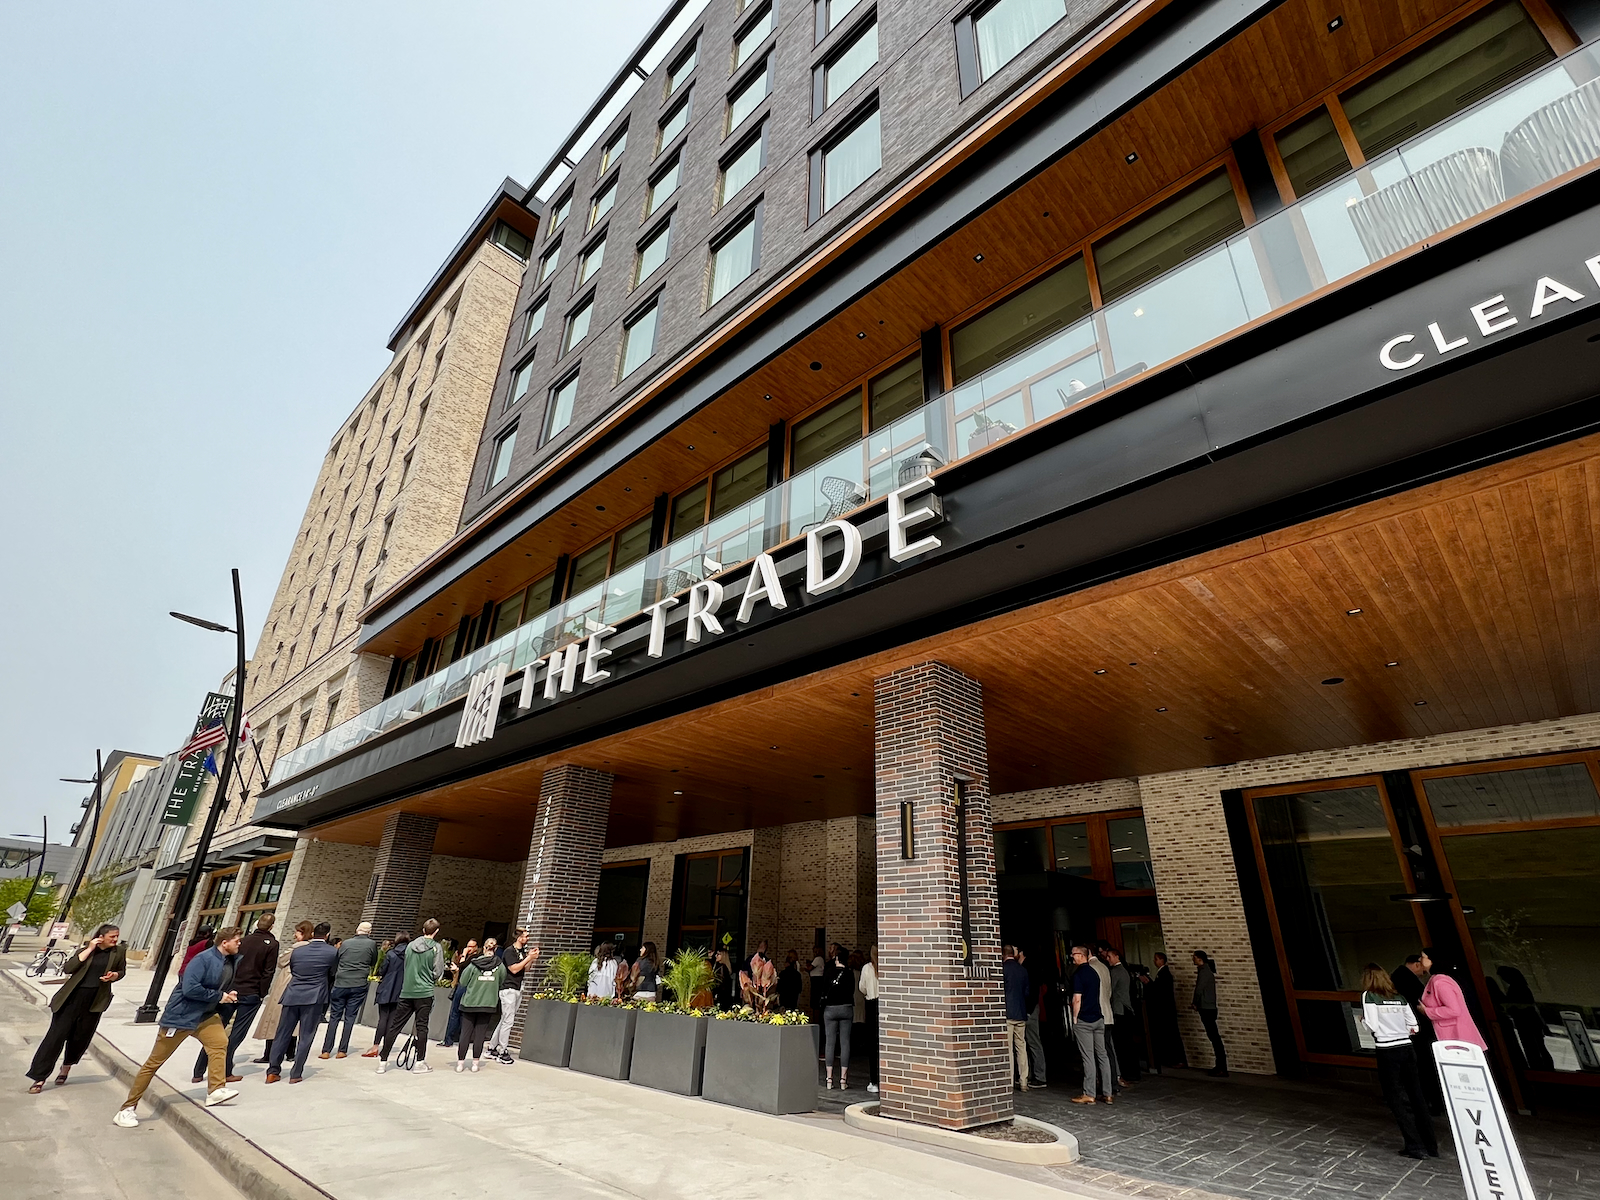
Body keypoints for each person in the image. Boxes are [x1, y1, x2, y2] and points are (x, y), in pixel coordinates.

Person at [113, 927, 243, 1127]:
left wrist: (227, 994)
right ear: (225, 942)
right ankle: (127, 1108)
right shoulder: (203, 959)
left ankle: (216, 1090)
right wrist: (219, 996)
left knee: (219, 1043)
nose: (239, 944)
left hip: (205, 1015)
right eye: (237, 940)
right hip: (181, 1016)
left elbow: (217, 985)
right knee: (154, 1063)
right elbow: (190, 988)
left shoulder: (229, 961)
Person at [27, 924, 126, 1093]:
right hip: (71, 1000)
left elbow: (121, 970)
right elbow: (69, 968)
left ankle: (65, 1069)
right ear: (101, 937)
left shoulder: (119, 952)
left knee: (80, 1038)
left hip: (94, 1002)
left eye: (117, 936)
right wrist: (90, 948)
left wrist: (114, 976)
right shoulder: (86, 950)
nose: (116, 940)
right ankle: (39, 1077)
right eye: (112, 937)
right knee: (55, 1038)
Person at [1359, 964, 1439, 1159]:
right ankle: (1431, 1145)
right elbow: (1414, 1027)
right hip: (1407, 1048)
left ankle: (1414, 1144)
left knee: (1394, 1097)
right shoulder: (1399, 998)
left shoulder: (1369, 996)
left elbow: (1371, 1024)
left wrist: (1362, 1020)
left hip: (1388, 1050)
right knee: (1416, 1094)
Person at [267, 921, 338, 1084]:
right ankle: (296, 1073)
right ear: (327, 935)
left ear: (313, 934)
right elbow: (332, 972)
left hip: (292, 993)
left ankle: (272, 1071)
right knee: (306, 1035)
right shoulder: (332, 952)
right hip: (314, 996)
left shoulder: (298, 950)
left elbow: (293, 968)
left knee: (282, 1033)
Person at [378, 918, 445, 1073]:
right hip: (425, 992)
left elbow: (407, 965)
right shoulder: (436, 948)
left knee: (395, 1026)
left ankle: (383, 1060)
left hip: (407, 990)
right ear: (436, 931)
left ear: (423, 930)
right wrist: (430, 978)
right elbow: (438, 971)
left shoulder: (410, 947)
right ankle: (419, 1062)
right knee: (422, 1027)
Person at [319, 920, 378, 1060]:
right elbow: (373, 962)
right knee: (350, 1017)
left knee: (334, 1017)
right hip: (358, 983)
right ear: (369, 932)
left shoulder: (345, 943)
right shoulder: (371, 944)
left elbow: (337, 959)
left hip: (341, 982)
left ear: (357, 930)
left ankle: (326, 1050)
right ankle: (342, 1050)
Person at [1394, 954, 1443, 1112]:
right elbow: (1416, 1002)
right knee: (1424, 1065)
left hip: (1415, 1029)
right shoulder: (1404, 978)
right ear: (1416, 964)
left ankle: (1430, 1101)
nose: (1424, 970)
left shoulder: (1400, 977)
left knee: (1422, 1065)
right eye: (1422, 964)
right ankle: (1432, 1101)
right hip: (1418, 1029)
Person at [252, 922, 306, 1063]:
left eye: (297, 932)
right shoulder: (313, 949)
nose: (294, 935)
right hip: (301, 987)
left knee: (274, 1019)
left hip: (286, 983)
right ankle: (290, 1053)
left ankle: (269, 1054)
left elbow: (281, 961)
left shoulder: (295, 949)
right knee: (293, 1019)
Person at [484, 929, 539, 1065]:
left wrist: (531, 959)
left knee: (505, 1019)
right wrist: (528, 958)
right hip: (508, 988)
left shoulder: (522, 952)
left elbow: (525, 969)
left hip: (517, 988)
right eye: (525, 936)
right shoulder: (509, 951)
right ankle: (502, 1050)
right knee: (509, 1021)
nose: (527, 938)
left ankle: (492, 1047)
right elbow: (514, 968)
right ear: (519, 938)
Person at [1068, 944, 1113, 1104]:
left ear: (1081, 955)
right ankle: (1108, 1093)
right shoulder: (1094, 973)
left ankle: (1089, 1093)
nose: (1071, 956)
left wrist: (1075, 1018)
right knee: (1102, 1055)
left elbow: (1077, 998)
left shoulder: (1078, 974)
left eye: (1073, 954)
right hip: (1098, 1018)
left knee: (1088, 1057)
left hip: (1085, 1020)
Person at [1417, 949, 1487, 1050]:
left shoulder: (1440, 981)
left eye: (1423, 956)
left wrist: (1427, 1011)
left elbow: (1454, 1010)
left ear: (1431, 960)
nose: (1420, 959)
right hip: (1452, 1037)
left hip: (1457, 1036)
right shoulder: (1436, 979)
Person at [455, 943, 509, 1072]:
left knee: (465, 1034)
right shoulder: (500, 966)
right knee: (480, 1034)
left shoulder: (473, 964)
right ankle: (475, 1063)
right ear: (495, 949)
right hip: (488, 1003)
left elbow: (463, 981)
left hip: (470, 1003)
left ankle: (460, 1063)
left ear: (484, 948)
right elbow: (502, 981)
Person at [1496, 965, 1555, 1072]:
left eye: (1504, 976)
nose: (1504, 979)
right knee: (1537, 1046)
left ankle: (1541, 1068)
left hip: (1527, 1022)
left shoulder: (1518, 988)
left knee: (1534, 1046)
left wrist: (1510, 1006)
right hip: (1528, 1021)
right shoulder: (1519, 987)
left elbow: (1526, 1005)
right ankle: (1543, 1068)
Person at [362, 931, 409, 1058]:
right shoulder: (410, 955)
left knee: (383, 1018)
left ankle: (376, 1046)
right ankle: (386, 1048)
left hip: (386, 988)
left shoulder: (391, 954)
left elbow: (383, 970)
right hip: (401, 989)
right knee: (392, 1020)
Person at [1104, 944, 1140, 1084]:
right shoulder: (1124, 971)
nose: (1108, 959)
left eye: (1110, 957)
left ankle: (1127, 1072)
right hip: (1126, 1009)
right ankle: (1133, 1071)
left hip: (1120, 1009)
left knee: (1122, 1043)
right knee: (1128, 1042)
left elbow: (1110, 989)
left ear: (1117, 956)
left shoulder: (1116, 971)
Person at [821, 944, 855, 1090]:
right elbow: (852, 990)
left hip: (830, 1009)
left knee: (830, 1043)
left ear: (836, 957)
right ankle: (843, 1080)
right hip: (846, 1008)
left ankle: (829, 1079)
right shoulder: (849, 973)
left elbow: (822, 989)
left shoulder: (828, 972)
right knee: (845, 1043)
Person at [1144, 952, 1186, 1068]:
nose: (1154, 961)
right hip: (1167, 1009)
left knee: (1172, 1035)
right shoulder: (1163, 973)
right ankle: (1173, 1059)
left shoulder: (1164, 974)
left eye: (1156, 959)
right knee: (1170, 1034)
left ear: (1161, 960)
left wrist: (1148, 984)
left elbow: (1160, 991)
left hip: (1166, 1009)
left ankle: (1178, 1059)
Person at [438, 938, 480, 1049]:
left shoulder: (475, 958)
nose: (468, 948)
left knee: (456, 1013)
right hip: (461, 985)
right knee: (458, 1014)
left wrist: (464, 955)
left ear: (476, 948)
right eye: (467, 946)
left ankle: (450, 1039)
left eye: (471, 947)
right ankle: (454, 1038)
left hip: (464, 986)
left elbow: (463, 967)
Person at [1192, 950, 1227, 1077]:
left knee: (1214, 1037)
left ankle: (1221, 1066)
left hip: (1206, 1007)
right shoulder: (1206, 971)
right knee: (1214, 1036)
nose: (1193, 960)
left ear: (1199, 958)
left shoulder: (1204, 972)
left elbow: (1199, 989)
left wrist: (1195, 1002)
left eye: (1194, 957)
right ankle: (1220, 1066)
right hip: (1209, 1007)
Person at [1091, 942, 1122, 1089]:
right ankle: (1113, 1082)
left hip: (1098, 1015)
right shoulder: (1104, 968)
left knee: (1099, 1052)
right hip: (1108, 1013)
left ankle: (1105, 1084)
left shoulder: (1091, 969)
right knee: (1108, 1050)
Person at [1002, 945, 1030, 1091]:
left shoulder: (1003, 970)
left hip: (1008, 1013)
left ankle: (1010, 1081)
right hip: (1021, 1013)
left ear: (1003, 954)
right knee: (1021, 1047)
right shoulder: (1022, 970)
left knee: (1009, 1048)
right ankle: (1024, 1081)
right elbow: (1027, 992)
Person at [1022, 948, 1049, 1087]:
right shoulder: (1028, 968)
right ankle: (1033, 1075)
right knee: (1030, 1043)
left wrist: (1028, 1011)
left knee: (1032, 1043)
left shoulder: (1027, 969)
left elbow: (1032, 993)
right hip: (1032, 1009)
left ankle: (1039, 1076)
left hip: (1029, 1011)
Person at [860, 945, 880, 1094]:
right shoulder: (885, 965)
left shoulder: (867, 968)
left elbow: (862, 988)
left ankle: (874, 1081)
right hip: (883, 1004)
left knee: (872, 1045)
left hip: (871, 1003)